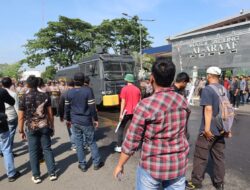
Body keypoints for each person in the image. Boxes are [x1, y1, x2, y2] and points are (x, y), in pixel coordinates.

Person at [113, 60, 190, 190]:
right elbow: (183, 131)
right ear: (172, 78)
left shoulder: (146, 105)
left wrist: (120, 164)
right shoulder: (182, 101)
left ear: (152, 78)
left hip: (152, 166)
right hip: (178, 164)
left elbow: (132, 141)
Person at [186, 66, 230, 190]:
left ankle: (196, 182)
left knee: (200, 157)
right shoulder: (224, 89)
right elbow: (227, 109)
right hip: (221, 129)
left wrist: (206, 129)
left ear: (210, 76)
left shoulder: (207, 89)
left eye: (207, 75)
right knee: (219, 157)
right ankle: (219, 183)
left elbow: (208, 109)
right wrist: (227, 129)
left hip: (209, 130)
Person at [18, 76, 57, 184]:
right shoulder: (45, 95)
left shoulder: (24, 97)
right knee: (47, 149)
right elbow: (50, 114)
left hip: (31, 128)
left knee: (33, 151)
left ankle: (36, 176)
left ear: (28, 85)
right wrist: (52, 126)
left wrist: (20, 130)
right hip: (44, 126)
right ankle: (52, 173)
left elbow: (21, 116)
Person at [65, 72, 104, 172]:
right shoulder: (88, 91)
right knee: (91, 142)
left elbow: (67, 108)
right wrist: (95, 119)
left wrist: (68, 120)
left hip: (74, 122)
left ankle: (82, 165)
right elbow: (92, 108)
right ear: (83, 81)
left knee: (79, 144)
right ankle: (96, 163)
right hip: (86, 121)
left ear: (74, 81)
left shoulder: (69, 92)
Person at [114, 74, 141, 153]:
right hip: (135, 112)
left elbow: (123, 102)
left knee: (121, 128)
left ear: (126, 80)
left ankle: (119, 146)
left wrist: (121, 114)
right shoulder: (137, 89)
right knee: (133, 129)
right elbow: (140, 102)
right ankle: (132, 146)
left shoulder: (124, 89)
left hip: (126, 112)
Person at [0, 85, 21, 182]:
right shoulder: (2, 91)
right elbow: (12, 101)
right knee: (6, 149)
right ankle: (11, 174)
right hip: (1, 124)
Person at [59, 80, 76, 151]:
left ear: (66, 85)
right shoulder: (78, 92)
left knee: (71, 131)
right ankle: (81, 144)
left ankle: (74, 145)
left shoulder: (64, 94)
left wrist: (61, 116)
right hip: (78, 114)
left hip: (68, 115)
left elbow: (61, 106)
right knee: (77, 130)